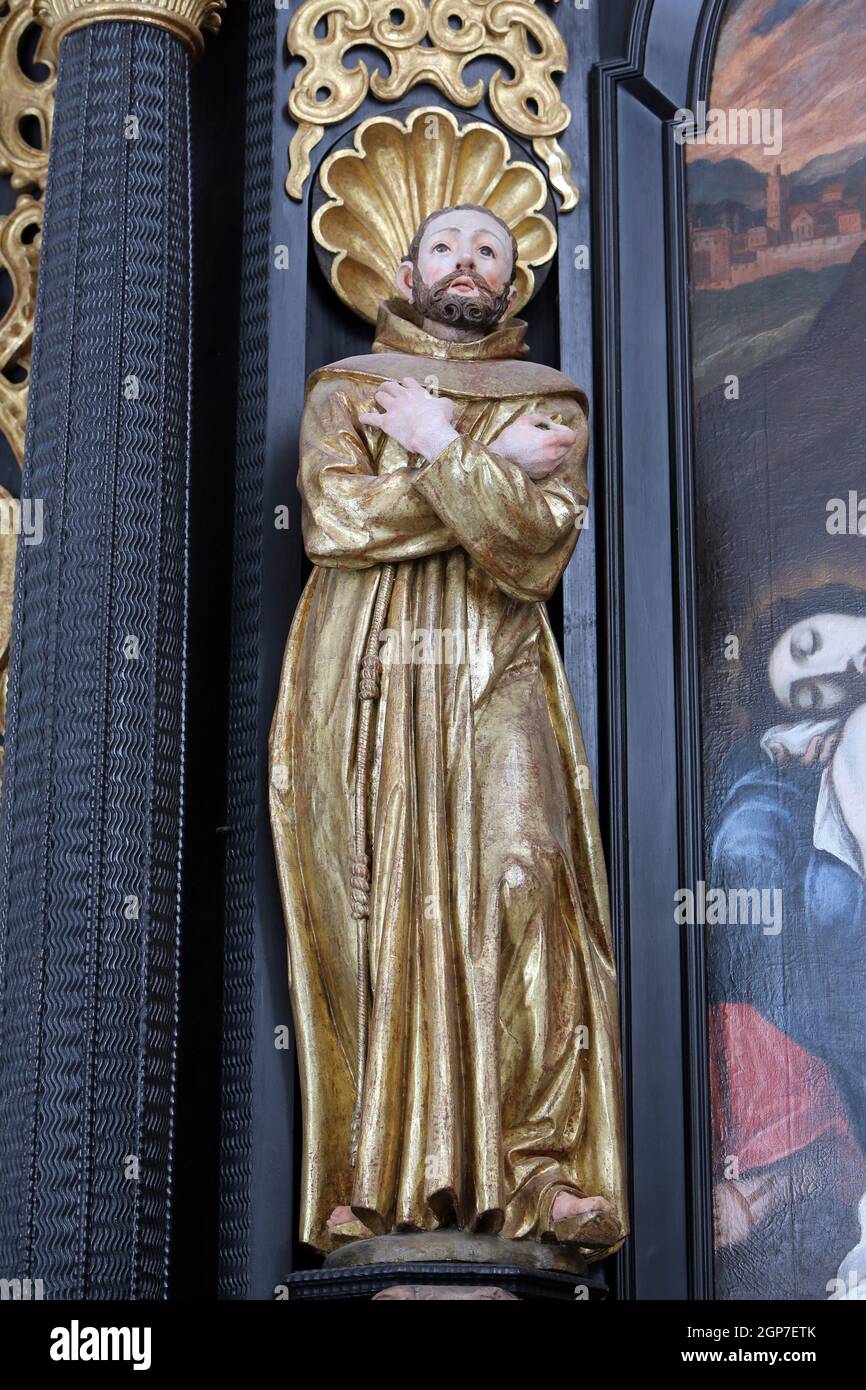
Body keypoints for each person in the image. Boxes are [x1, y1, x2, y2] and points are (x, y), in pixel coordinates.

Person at [269, 204, 627, 1259]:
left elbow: (535, 547)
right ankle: (371, 1176)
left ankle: (543, 1170)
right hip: (368, 667)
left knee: (528, 877)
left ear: (512, 281)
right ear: (406, 267)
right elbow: (335, 523)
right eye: (445, 247)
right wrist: (476, 467)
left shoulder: (551, 403)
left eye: (486, 251)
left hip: (497, 658)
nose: (464, 263)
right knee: (377, 896)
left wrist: (429, 447)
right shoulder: (343, 391)